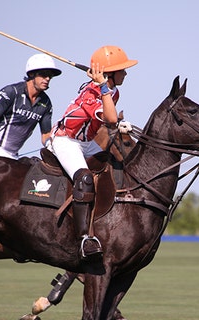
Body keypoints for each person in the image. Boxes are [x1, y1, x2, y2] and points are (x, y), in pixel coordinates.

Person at [48, 45, 137, 261]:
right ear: (110, 73)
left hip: (86, 142)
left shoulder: (112, 91)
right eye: (122, 69)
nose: (125, 73)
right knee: (85, 178)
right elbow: (111, 119)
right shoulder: (92, 92)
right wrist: (102, 87)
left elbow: (111, 119)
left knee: (114, 164)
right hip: (65, 140)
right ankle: (84, 238)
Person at [0, 54, 62, 158]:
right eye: (44, 74)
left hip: (13, 156)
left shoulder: (46, 102)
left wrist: (52, 146)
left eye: (50, 76)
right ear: (32, 74)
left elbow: (45, 135)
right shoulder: (11, 92)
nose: (47, 78)